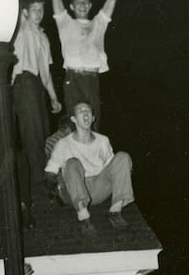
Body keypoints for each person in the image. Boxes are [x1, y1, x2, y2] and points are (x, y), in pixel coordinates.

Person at [8, 0, 62, 228]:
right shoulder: (22, 26)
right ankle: (39, 188)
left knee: (39, 136)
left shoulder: (43, 37)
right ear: (27, 12)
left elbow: (47, 71)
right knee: (31, 136)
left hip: (38, 88)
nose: (39, 14)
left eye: (43, 9)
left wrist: (53, 97)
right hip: (23, 82)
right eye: (35, 10)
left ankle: (37, 183)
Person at [48, 0, 125, 125]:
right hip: (72, 78)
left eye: (85, 1)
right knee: (74, 122)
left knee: (93, 122)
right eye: (77, 2)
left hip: (92, 78)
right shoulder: (65, 22)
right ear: (72, 6)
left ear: (90, 5)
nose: (82, 5)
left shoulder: (99, 22)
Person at [44, 101, 135, 239]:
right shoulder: (63, 144)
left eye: (88, 112)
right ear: (73, 119)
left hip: (98, 190)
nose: (85, 114)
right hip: (72, 190)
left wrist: (125, 170)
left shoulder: (103, 140)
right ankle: (84, 218)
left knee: (123, 157)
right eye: (81, 111)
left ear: (93, 118)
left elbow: (113, 166)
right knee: (72, 162)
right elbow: (50, 171)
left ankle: (115, 212)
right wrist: (53, 189)